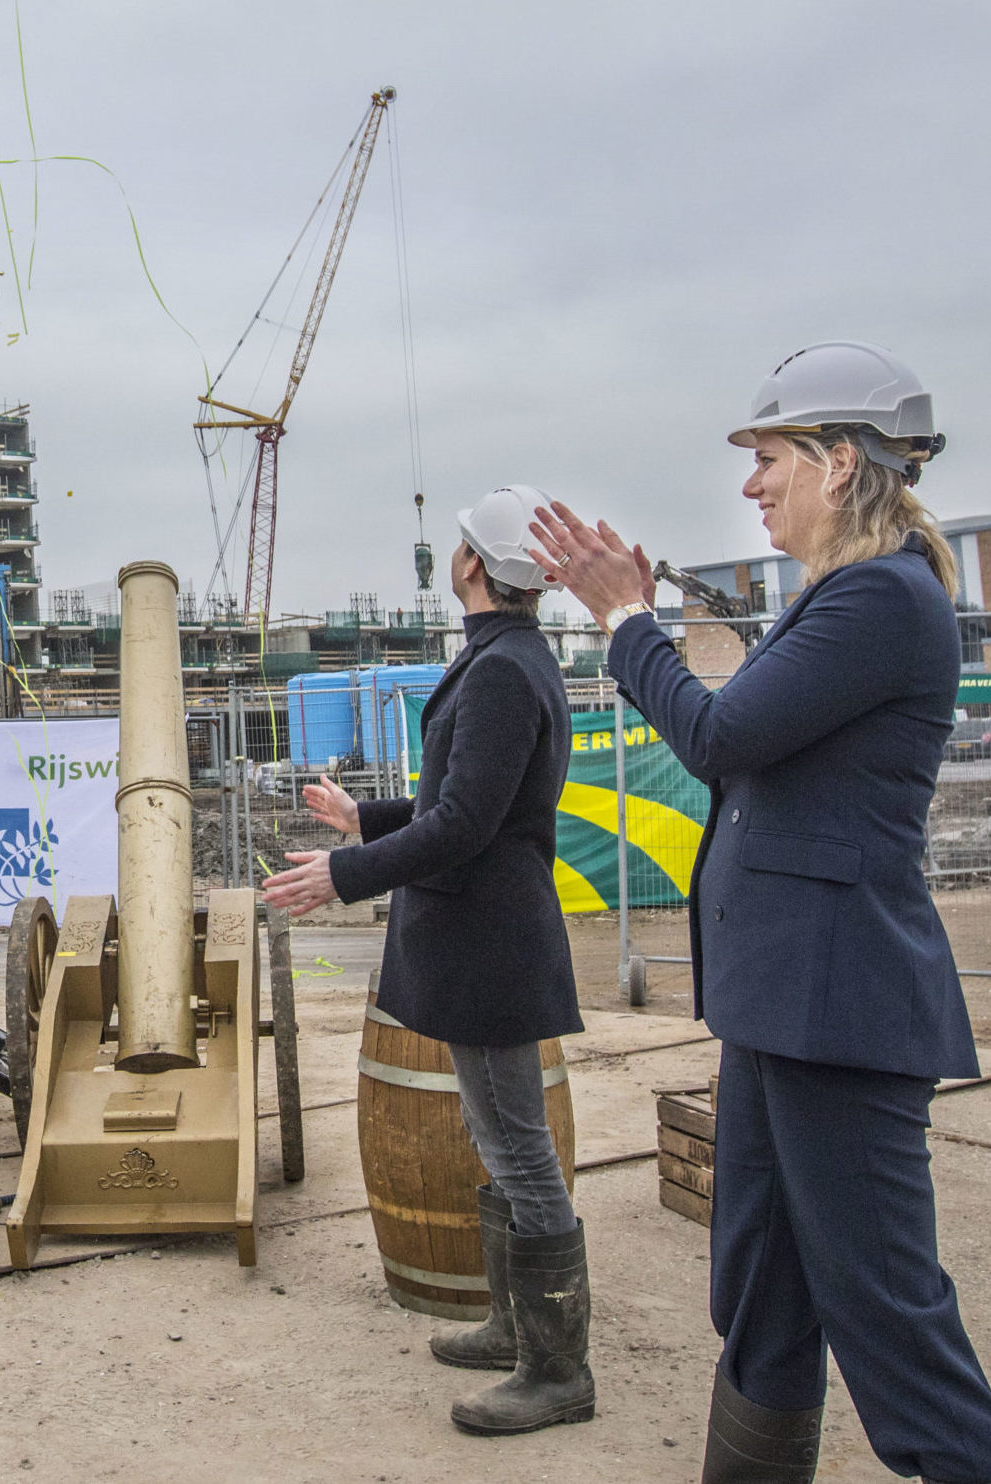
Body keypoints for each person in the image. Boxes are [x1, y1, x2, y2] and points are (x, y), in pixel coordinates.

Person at [529, 341, 991, 1484]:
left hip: (840, 1012)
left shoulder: (881, 596)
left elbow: (720, 735)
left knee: (888, 1316)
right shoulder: (839, 597)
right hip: (788, 1005)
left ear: (840, 463)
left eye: (769, 457)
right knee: (760, 1292)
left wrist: (626, 616)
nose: (751, 482)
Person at [263, 487, 591, 1437]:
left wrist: (343, 875)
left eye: (458, 544)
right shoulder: (509, 656)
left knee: (516, 1145)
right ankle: (515, 1328)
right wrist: (362, 820)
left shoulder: (500, 670)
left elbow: (466, 824)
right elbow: (466, 802)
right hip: (484, 937)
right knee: (497, 1139)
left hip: (488, 942)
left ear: (473, 565)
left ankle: (556, 1369)